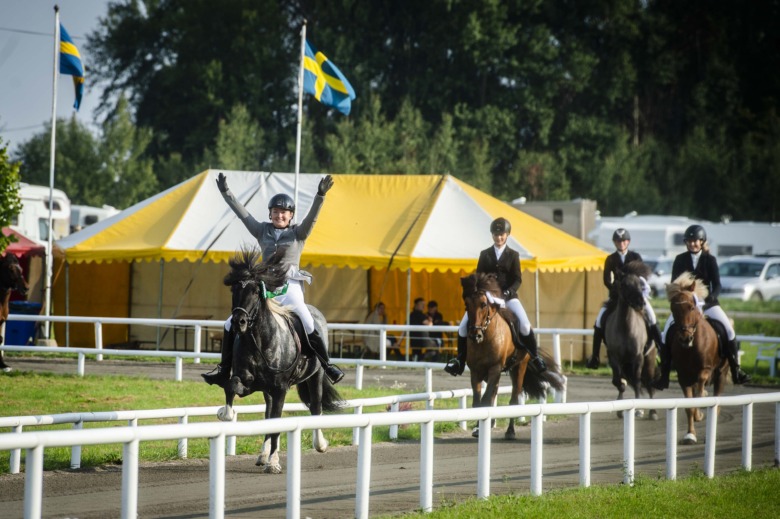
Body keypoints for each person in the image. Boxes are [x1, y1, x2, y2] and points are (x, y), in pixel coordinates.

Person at [202, 172, 344, 386]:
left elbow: (312, 218)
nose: (280, 216)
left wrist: (319, 196)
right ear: (270, 214)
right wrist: (226, 192)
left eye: (284, 213)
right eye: (276, 212)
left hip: (290, 287)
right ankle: (224, 369)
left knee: (306, 320)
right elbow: (243, 215)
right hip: (266, 286)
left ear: (290, 216)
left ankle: (327, 366)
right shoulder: (262, 230)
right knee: (230, 323)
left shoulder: (298, 233)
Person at [444, 217, 547, 376]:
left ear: (507, 235)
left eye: (501, 235)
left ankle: (535, 358)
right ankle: (459, 360)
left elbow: (517, 279)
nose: (499, 238)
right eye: (496, 235)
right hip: (487, 297)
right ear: (492, 235)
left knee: (525, 326)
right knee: (463, 327)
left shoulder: (513, 255)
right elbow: (479, 276)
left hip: (508, 297)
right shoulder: (485, 254)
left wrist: (506, 293)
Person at [654, 224, 750, 389]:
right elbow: (674, 284)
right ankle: (664, 375)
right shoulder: (680, 259)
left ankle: (736, 370)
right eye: (689, 241)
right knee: (665, 335)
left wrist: (712, 296)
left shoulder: (709, 260)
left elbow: (717, 285)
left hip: (707, 304)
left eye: (695, 241)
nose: (692, 244)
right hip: (685, 306)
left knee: (728, 330)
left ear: (702, 241)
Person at [586, 228, 664, 369]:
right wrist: (615, 290)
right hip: (617, 297)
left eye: (623, 241)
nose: (621, 243)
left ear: (628, 242)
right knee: (599, 321)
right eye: (618, 241)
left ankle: (662, 351)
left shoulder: (635, 257)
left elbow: (642, 277)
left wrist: (636, 291)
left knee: (652, 317)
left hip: (635, 296)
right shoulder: (610, 259)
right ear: (614, 243)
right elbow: (606, 280)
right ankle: (595, 357)